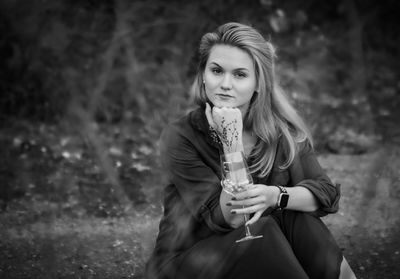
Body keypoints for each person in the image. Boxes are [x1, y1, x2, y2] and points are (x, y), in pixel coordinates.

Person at [145, 22, 356, 279]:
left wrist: (274, 196)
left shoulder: (281, 132)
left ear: (258, 83)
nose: (225, 84)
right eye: (216, 70)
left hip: (257, 254)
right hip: (187, 263)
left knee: (297, 220)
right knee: (261, 232)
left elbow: (325, 194)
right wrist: (230, 140)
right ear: (203, 74)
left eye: (240, 74)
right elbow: (233, 219)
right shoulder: (181, 135)